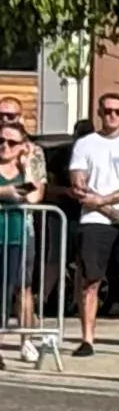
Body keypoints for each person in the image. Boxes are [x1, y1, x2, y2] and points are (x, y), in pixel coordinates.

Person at [67, 88, 119, 356]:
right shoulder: (85, 144)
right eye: (107, 111)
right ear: (100, 113)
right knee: (90, 281)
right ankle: (88, 339)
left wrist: (102, 202)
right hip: (93, 222)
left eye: (117, 111)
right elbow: (79, 186)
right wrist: (104, 209)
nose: (112, 116)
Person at [0, 106, 40, 328]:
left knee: (13, 288)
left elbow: (33, 197)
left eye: (12, 143)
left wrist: (28, 166)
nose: (5, 146)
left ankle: (25, 339)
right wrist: (6, 193)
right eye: (1, 141)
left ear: (23, 146)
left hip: (15, 236)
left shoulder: (25, 169)